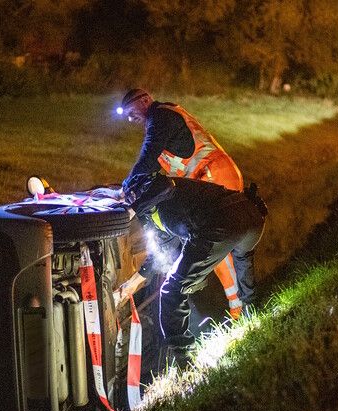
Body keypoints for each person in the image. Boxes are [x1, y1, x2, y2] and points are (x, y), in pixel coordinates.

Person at [96, 88, 248, 319]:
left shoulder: (161, 117)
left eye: (130, 112)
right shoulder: (160, 123)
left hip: (215, 175)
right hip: (206, 179)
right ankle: (239, 305)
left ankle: (239, 309)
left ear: (145, 100)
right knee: (215, 243)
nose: (129, 119)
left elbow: (148, 156)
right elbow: (151, 166)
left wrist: (125, 189)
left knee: (216, 242)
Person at [116, 172, 267, 365]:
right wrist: (131, 284)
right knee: (243, 260)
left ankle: (184, 358)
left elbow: (164, 186)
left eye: (126, 198)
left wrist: (130, 209)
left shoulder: (156, 187)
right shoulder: (159, 215)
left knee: (171, 289)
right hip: (250, 215)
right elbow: (159, 255)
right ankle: (252, 312)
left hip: (221, 222)